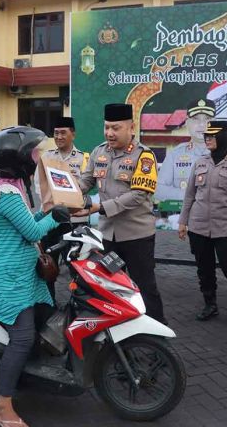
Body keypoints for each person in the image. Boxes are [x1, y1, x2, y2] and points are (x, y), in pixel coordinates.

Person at [0, 126, 70, 427]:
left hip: (20, 274)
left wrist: (52, 211)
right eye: (33, 152)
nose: (37, 156)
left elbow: (29, 221)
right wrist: (54, 217)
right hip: (7, 278)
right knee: (23, 336)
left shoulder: (11, 185)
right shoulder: (6, 193)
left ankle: (22, 376)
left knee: (45, 317)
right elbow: (31, 232)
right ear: (18, 159)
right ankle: (3, 407)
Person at [78, 103, 166, 324]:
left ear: (131, 128)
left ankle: (157, 330)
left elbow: (138, 195)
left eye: (116, 128)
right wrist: (67, 192)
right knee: (110, 284)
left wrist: (101, 207)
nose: (109, 133)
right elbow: (86, 181)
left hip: (137, 237)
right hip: (109, 237)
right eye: (107, 127)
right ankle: (119, 330)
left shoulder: (144, 156)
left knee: (144, 285)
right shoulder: (99, 152)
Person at [178, 121, 227, 324]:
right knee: (204, 269)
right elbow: (189, 195)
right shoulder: (200, 162)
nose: (207, 139)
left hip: (225, 228)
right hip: (199, 226)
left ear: (225, 138)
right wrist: (183, 222)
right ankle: (210, 304)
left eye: (212, 135)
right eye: (206, 136)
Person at [37, 117, 89, 291]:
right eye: (56, 133)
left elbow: (86, 186)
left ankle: (77, 304)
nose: (58, 136)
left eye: (63, 132)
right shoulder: (46, 158)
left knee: (77, 266)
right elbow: (40, 186)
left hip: (75, 220)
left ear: (73, 134)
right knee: (48, 265)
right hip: (50, 220)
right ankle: (49, 305)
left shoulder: (83, 159)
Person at [155, 99, 215, 202]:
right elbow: (158, 190)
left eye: (207, 119)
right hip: (184, 216)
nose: (202, 124)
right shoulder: (175, 155)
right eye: (196, 119)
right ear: (187, 123)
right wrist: (189, 195)